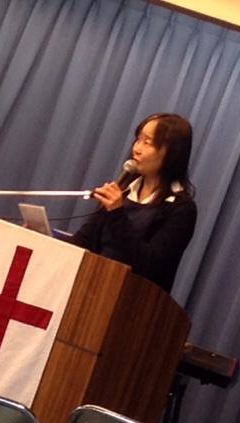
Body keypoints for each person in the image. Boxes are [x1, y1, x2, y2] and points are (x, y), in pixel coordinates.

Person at [70, 112, 197, 292]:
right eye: (138, 140)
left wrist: (116, 213)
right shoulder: (124, 190)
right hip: (90, 286)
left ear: (171, 152)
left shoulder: (181, 208)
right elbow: (83, 241)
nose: (137, 149)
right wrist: (42, 236)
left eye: (147, 143)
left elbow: (150, 265)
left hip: (132, 298)